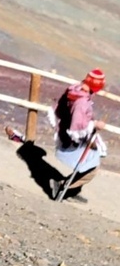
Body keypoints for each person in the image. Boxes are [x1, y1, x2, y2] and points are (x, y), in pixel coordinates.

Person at [49, 69, 107, 201]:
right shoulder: (81, 102)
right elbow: (77, 127)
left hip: (65, 132)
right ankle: (64, 186)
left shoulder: (75, 90)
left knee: (89, 163)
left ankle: (67, 186)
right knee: (92, 167)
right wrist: (95, 124)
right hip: (73, 138)